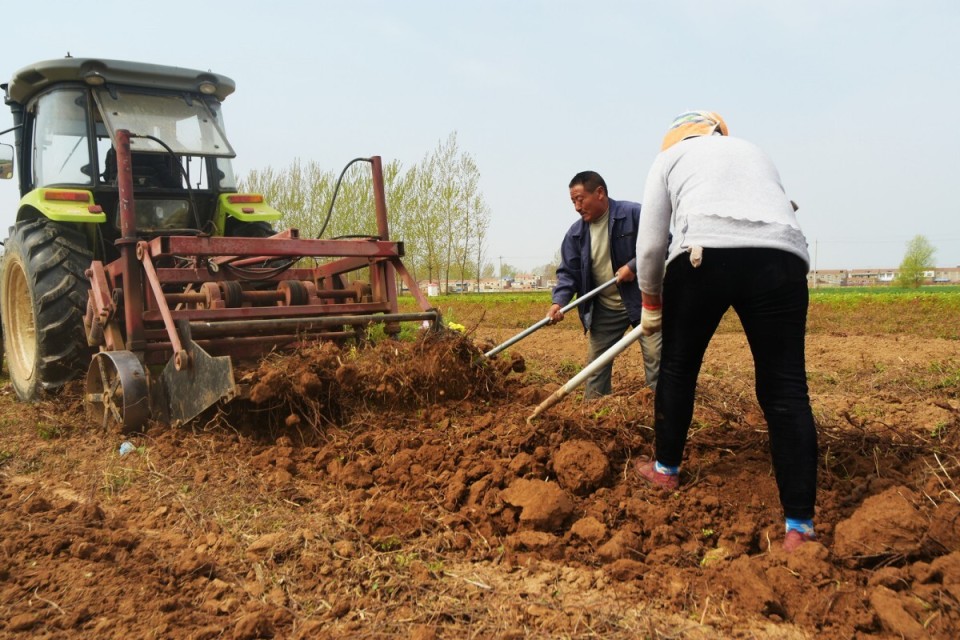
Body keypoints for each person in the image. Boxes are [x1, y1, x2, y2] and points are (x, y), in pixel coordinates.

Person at [632, 111, 818, 552]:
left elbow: (652, 244)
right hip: (782, 256)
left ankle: (665, 470)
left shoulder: (670, 159)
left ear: (674, 138)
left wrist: (652, 303)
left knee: (678, 368)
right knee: (786, 389)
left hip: (703, 253)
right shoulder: (754, 151)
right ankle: (800, 525)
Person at [546, 171, 661, 398]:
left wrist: (634, 266)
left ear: (599, 193)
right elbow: (568, 274)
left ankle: (662, 413)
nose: (577, 207)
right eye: (573, 201)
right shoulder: (575, 234)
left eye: (580, 199)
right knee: (596, 366)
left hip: (643, 301)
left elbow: (662, 242)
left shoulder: (633, 214)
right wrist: (558, 302)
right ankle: (594, 417)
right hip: (605, 308)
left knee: (657, 358)